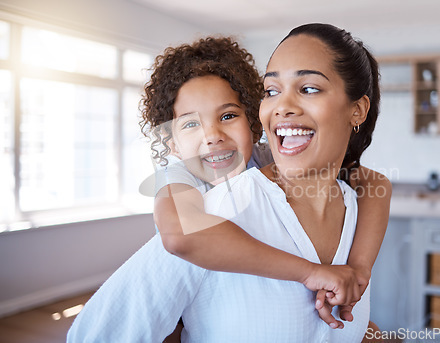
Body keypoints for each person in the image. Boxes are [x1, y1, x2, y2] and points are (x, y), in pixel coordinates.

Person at [68, 24, 388, 342]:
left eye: (227, 116)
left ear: (252, 123)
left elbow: (376, 185)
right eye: (272, 91)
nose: (213, 137)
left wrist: (360, 271)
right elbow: (182, 236)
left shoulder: (271, 158)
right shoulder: (184, 182)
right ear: (173, 144)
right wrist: (308, 272)